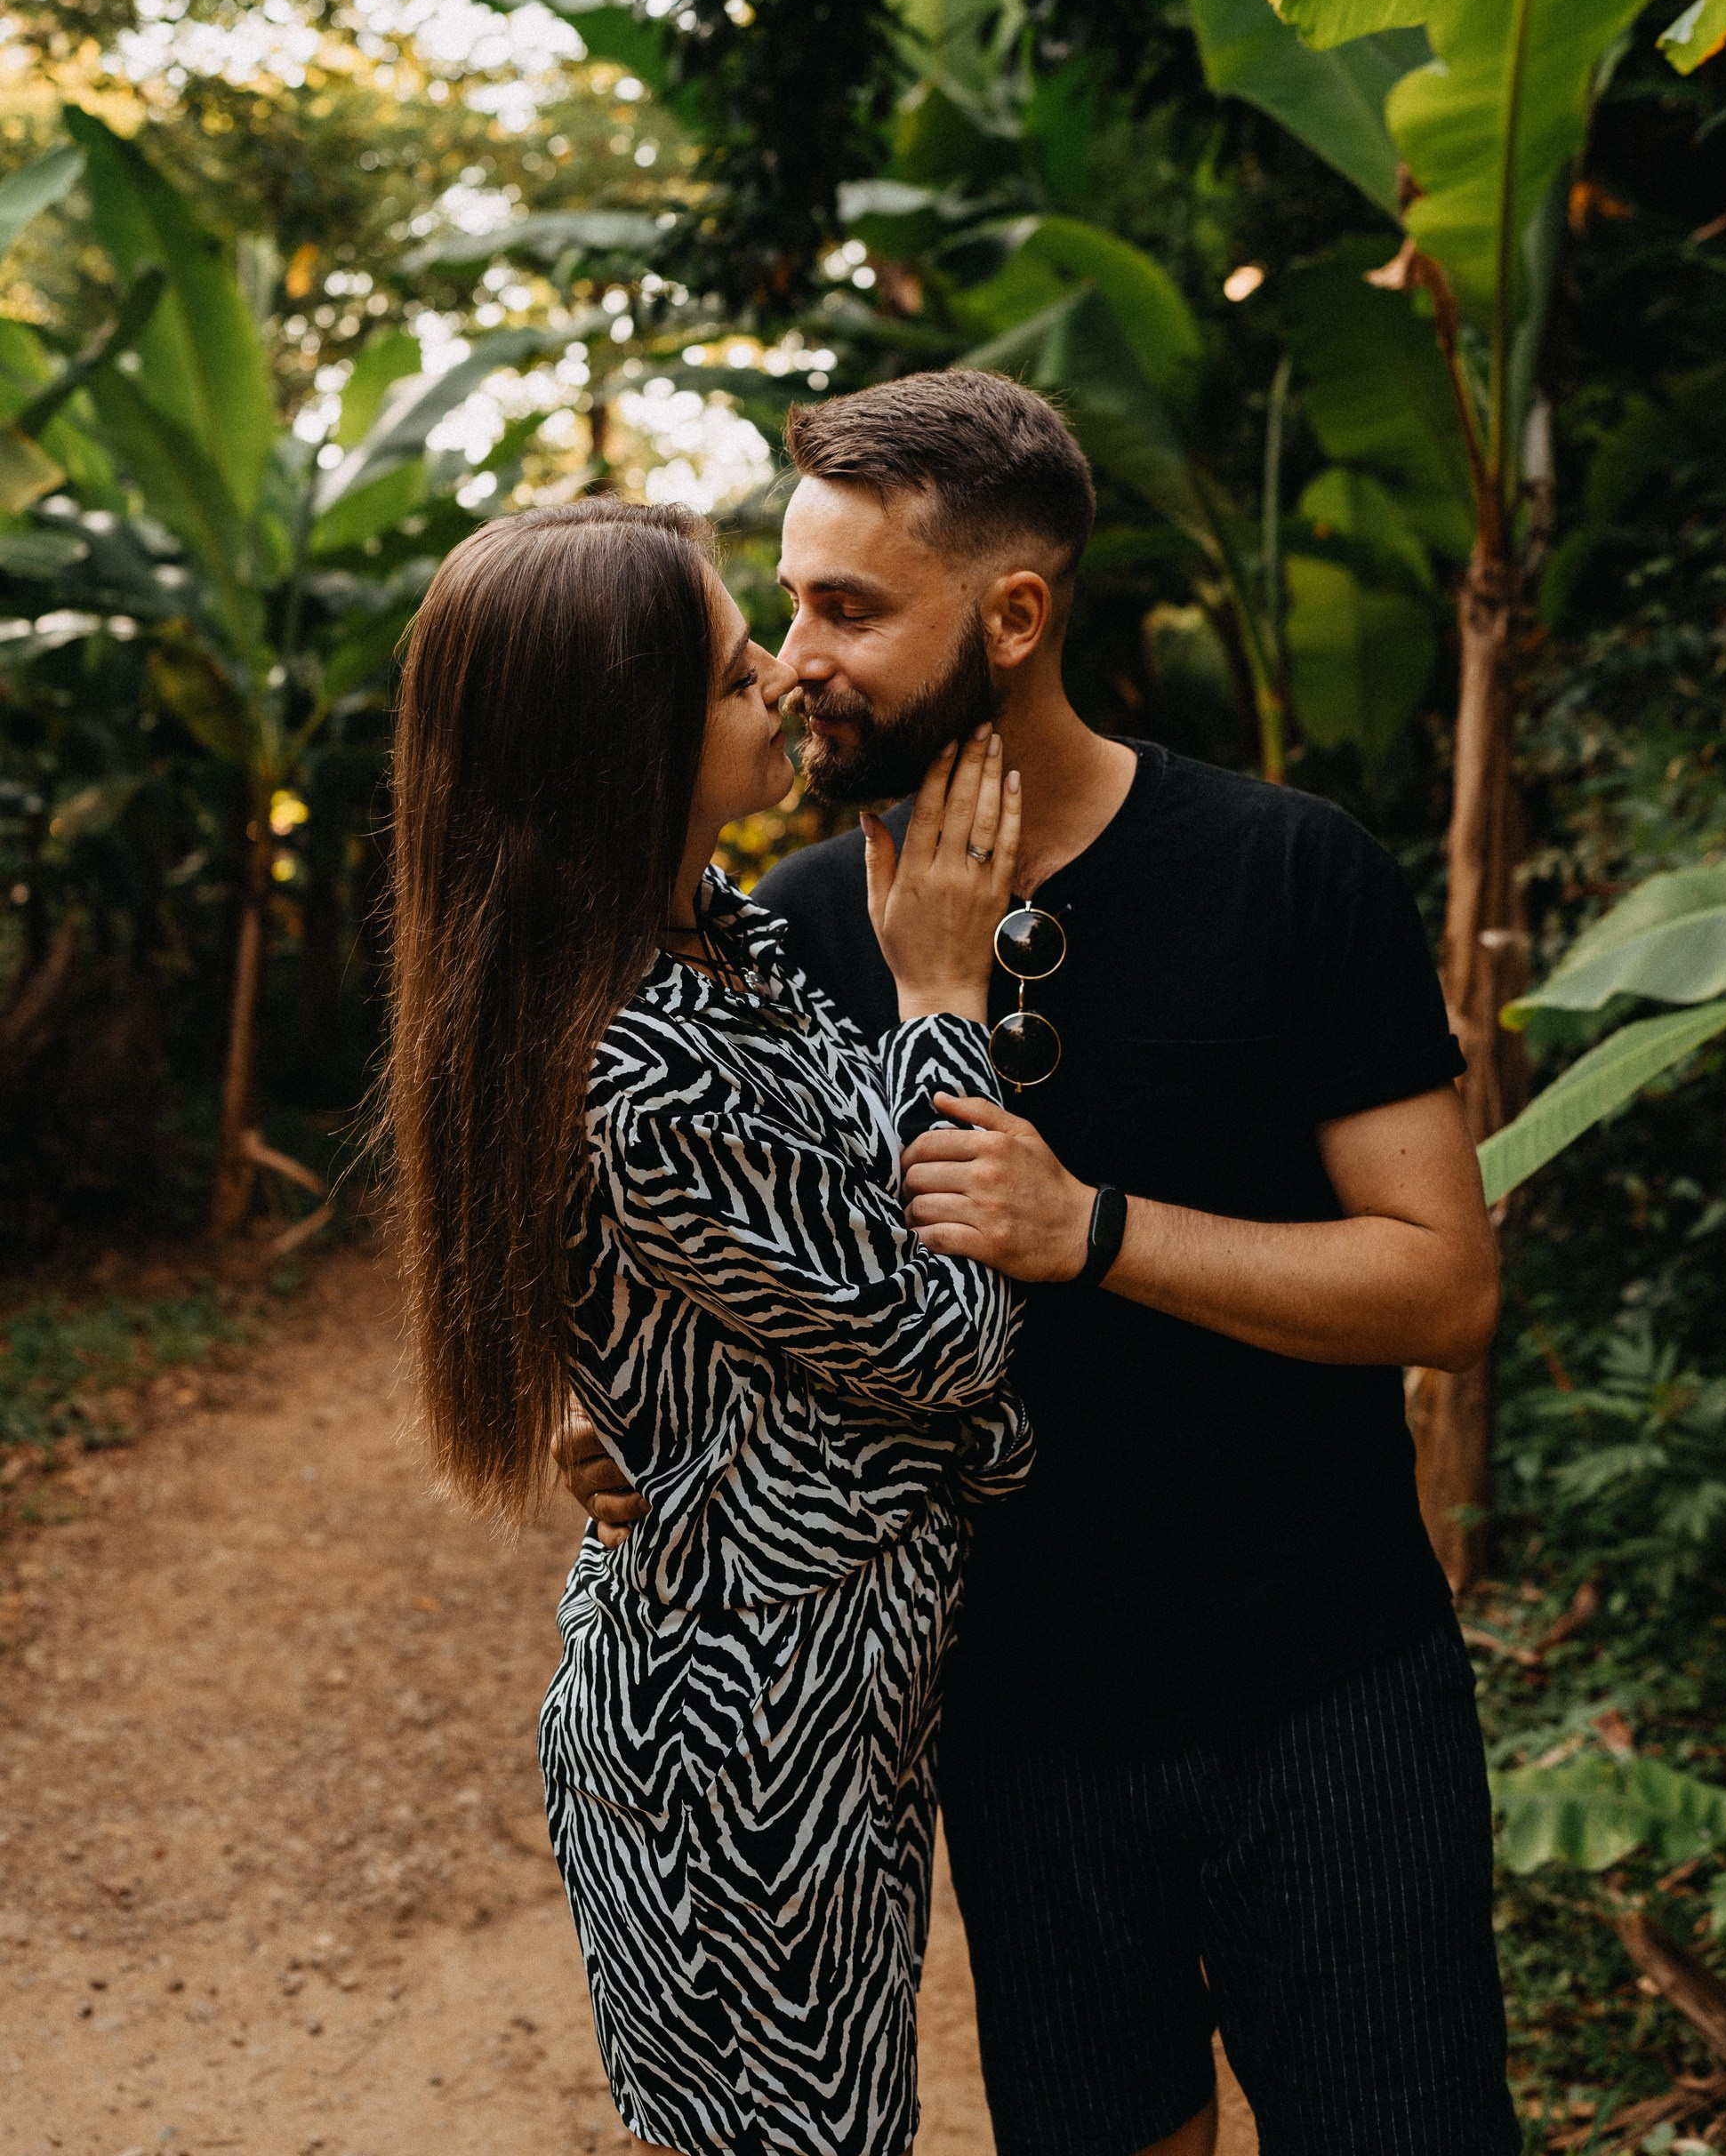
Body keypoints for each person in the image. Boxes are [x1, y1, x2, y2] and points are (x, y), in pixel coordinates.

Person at [564, 373, 1519, 2156]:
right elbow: (765, 1278)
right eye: (786, 603)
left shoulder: (1283, 874)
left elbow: (1441, 1291)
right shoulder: (787, 937)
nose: (794, 656)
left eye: (848, 608)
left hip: (1323, 1693)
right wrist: (646, 1424)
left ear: (1012, 616)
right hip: (1015, 1727)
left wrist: (1092, 1234)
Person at [382, 494, 1038, 2156]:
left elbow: (777, 1284)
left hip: (818, 1698)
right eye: (738, 669)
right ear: (620, 743)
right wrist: (944, 1000)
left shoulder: (721, 948)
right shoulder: (639, 1065)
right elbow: (941, 1336)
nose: (783, 685)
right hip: (737, 1737)